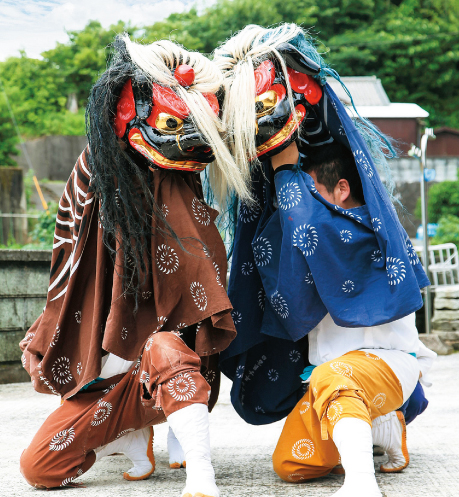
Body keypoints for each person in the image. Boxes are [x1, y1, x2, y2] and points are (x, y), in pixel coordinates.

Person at [18, 35, 251, 497]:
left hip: (167, 363)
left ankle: (197, 469)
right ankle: (128, 435)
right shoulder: (93, 172)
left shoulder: (178, 186)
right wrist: (46, 332)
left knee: (167, 347)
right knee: (39, 468)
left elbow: (201, 283)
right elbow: (67, 259)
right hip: (109, 376)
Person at [213, 24, 434, 497]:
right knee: (292, 465)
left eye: (311, 192)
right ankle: (385, 427)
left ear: (341, 190)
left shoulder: (365, 227)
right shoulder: (306, 231)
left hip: (385, 365)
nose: (298, 203)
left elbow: (307, 223)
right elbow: (287, 231)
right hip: (330, 381)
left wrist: (288, 168)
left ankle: (360, 483)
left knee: (337, 376)